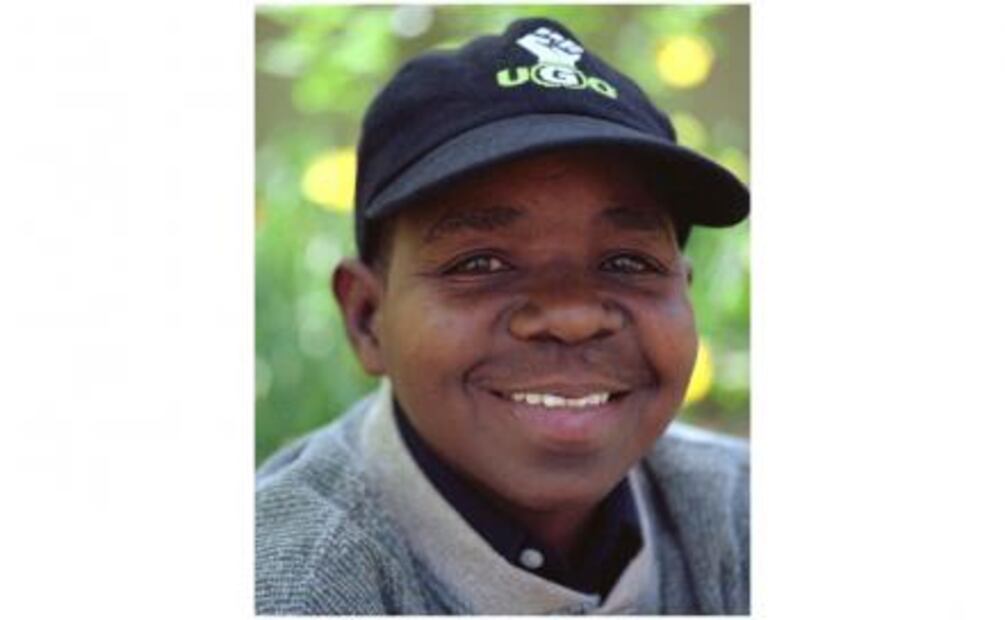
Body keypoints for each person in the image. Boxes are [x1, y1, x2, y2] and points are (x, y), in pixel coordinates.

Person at [256, 16, 749, 615]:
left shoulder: (740, 518)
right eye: (481, 263)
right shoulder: (290, 583)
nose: (572, 317)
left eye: (627, 262)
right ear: (367, 317)